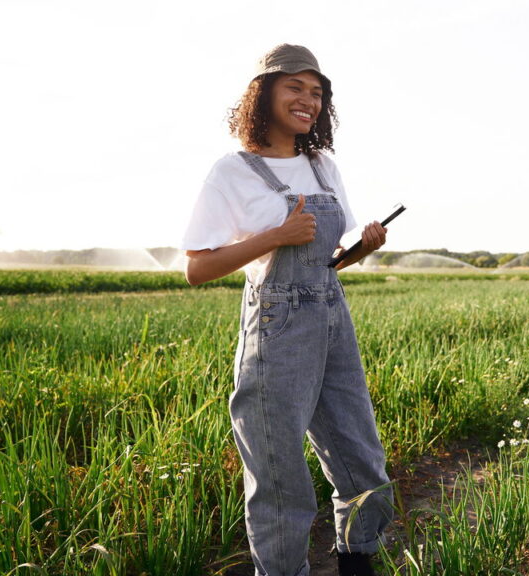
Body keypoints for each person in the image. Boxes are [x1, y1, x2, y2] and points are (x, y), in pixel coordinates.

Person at [181, 44, 393, 576]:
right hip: (276, 328)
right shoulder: (234, 171)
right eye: (295, 87)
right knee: (280, 477)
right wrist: (274, 235)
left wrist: (361, 250)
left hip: (330, 316)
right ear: (265, 94)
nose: (308, 100)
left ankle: (358, 562)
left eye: (317, 91)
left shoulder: (322, 166)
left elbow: (326, 261)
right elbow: (198, 267)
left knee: (362, 460)